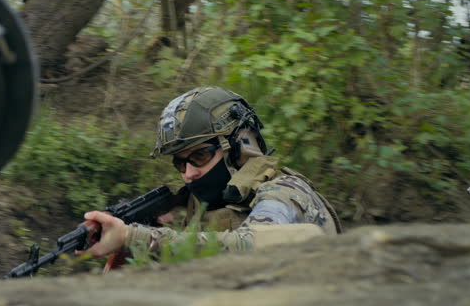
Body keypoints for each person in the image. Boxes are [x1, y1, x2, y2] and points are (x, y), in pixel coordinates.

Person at [83, 86, 341, 260]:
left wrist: (135, 238)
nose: (188, 174)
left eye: (200, 156)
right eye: (180, 164)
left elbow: (251, 246)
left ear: (240, 147)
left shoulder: (283, 192)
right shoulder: (194, 205)